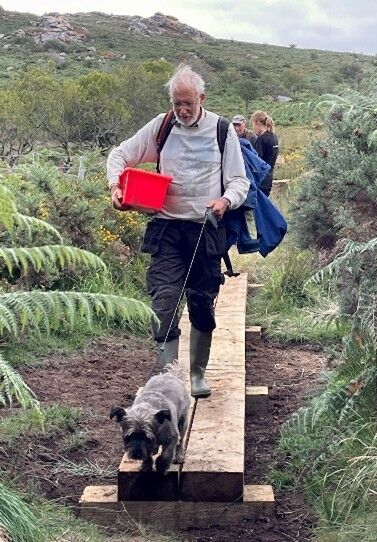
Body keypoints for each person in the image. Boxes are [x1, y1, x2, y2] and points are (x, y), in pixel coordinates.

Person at [107, 64, 249, 399]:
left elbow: (240, 181)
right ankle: (169, 380)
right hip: (166, 228)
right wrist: (115, 186)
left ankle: (198, 374)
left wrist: (225, 200)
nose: (182, 110)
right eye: (177, 103)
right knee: (163, 301)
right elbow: (120, 154)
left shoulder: (222, 130)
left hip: (205, 229)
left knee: (201, 302)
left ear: (202, 97)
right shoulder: (163, 126)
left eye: (188, 103)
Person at [251, 111, 279, 197]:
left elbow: (256, 161)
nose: (253, 128)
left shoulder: (261, 139)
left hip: (261, 179)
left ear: (257, 123)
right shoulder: (273, 137)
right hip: (269, 177)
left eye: (253, 125)